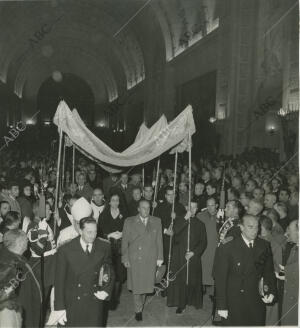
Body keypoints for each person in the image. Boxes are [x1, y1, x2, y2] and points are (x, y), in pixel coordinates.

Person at [214, 215, 277, 326]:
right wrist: (221, 305)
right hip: (233, 301)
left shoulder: (264, 245)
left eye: (257, 227)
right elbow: (220, 278)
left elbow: (268, 272)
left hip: (256, 299)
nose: (254, 231)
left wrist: (270, 291)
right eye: (250, 227)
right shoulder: (227, 247)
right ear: (241, 227)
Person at [52, 217, 115, 327]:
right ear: (80, 231)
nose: (93, 235)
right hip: (72, 303)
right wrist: (59, 308)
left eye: (95, 231)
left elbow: (109, 270)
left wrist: (106, 290)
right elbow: (59, 281)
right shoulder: (65, 250)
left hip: (94, 300)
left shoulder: (104, 246)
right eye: (89, 232)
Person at [121, 199, 163, 321]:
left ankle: (140, 305)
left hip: (150, 258)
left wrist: (160, 257)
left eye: (148, 208)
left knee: (145, 286)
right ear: (138, 209)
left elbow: (159, 240)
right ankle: (138, 309)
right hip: (135, 259)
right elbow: (125, 242)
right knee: (136, 286)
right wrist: (125, 258)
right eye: (143, 208)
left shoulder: (156, 221)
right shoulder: (129, 221)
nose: (146, 210)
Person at [167, 201, 207, 313]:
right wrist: (185, 218)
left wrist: (194, 253)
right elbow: (174, 233)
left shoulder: (200, 224)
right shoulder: (180, 220)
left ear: (197, 209)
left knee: (192, 280)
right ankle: (181, 304)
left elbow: (203, 242)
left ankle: (193, 301)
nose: (192, 209)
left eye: (194, 207)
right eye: (190, 207)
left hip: (193, 256)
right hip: (180, 255)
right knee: (181, 281)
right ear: (186, 208)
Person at [0, 229, 35, 328]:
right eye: (26, 239)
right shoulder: (12, 264)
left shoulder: (9, 257)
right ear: (19, 243)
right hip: (8, 311)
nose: (28, 241)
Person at [98, 193, 126, 309]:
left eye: (117, 200)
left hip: (120, 248)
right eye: (113, 200)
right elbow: (99, 232)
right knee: (108, 273)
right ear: (109, 202)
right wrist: (109, 234)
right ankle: (107, 296)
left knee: (119, 274)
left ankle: (115, 298)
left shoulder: (124, 214)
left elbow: (128, 229)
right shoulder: (104, 214)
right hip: (108, 247)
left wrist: (122, 233)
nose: (115, 202)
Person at [198, 197, 218, 292]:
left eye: (212, 205)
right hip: (203, 246)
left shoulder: (222, 216)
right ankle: (201, 288)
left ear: (217, 205)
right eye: (208, 205)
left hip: (215, 247)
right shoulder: (201, 215)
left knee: (213, 268)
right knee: (202, 268)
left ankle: (213, 291)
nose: (210, 208)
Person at [280, 220, 298, 326]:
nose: (286, 234)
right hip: (289, 298)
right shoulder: (294, 248)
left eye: (289, 231)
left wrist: (286, 271)